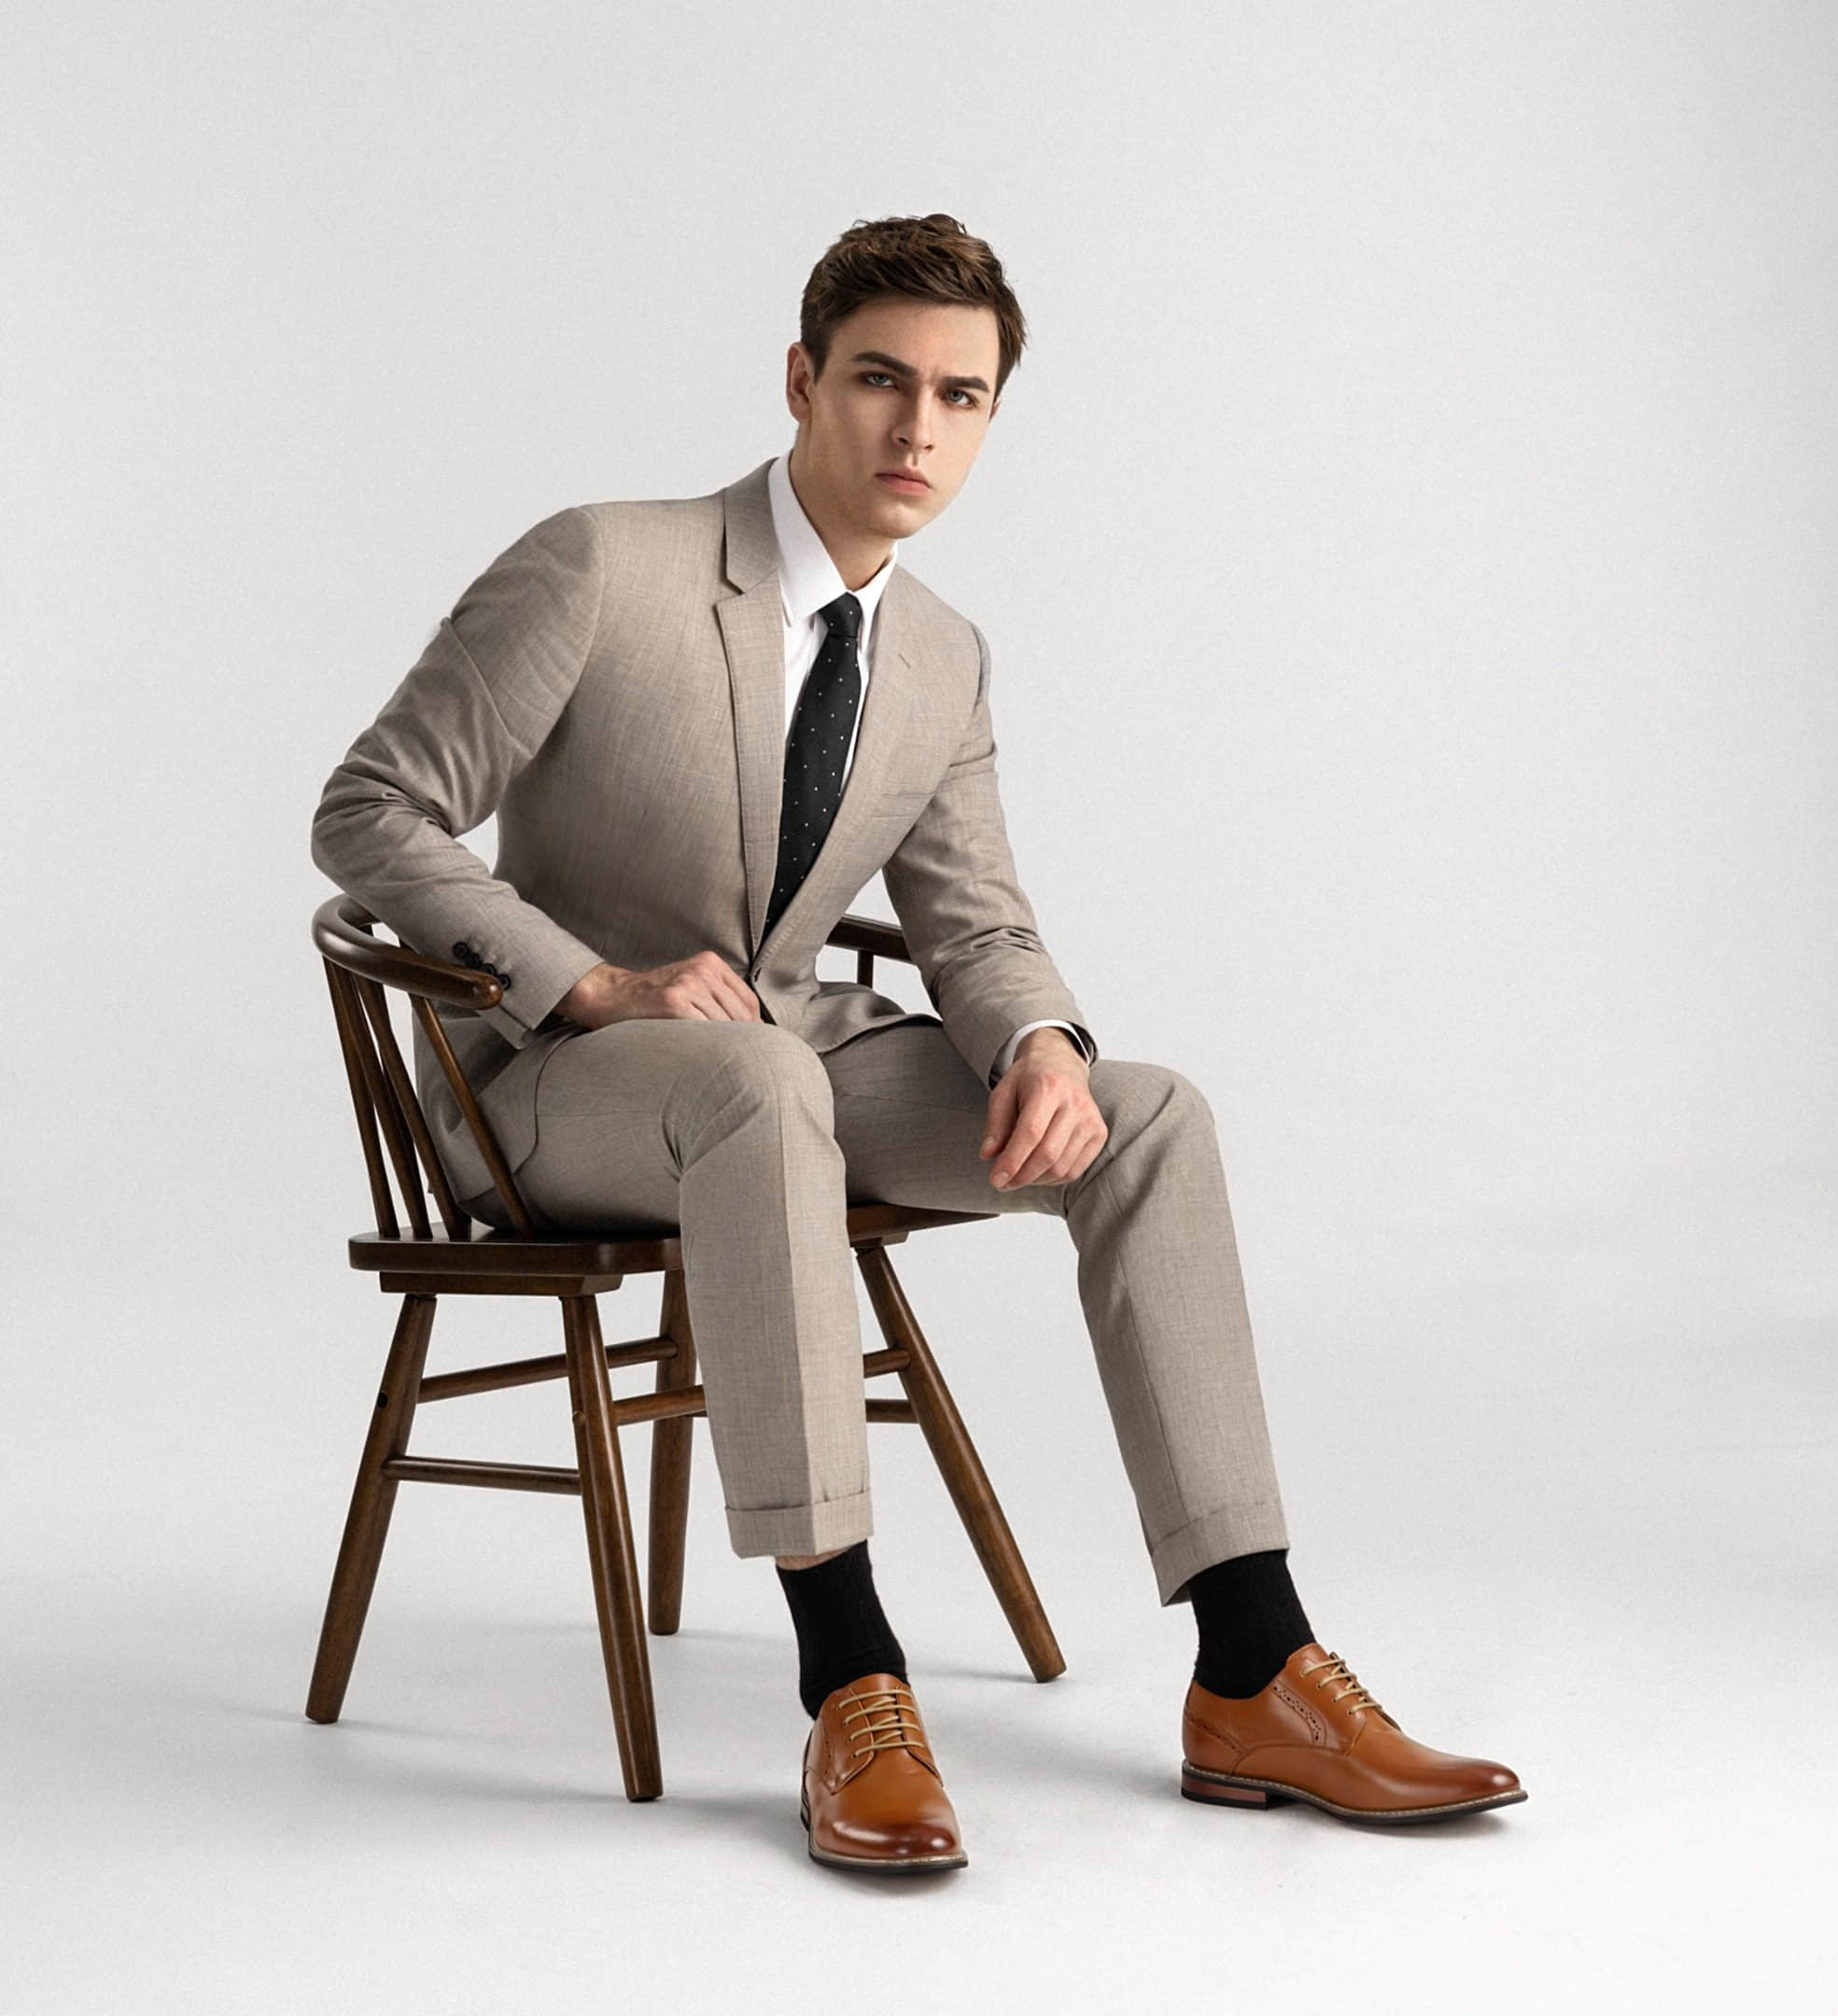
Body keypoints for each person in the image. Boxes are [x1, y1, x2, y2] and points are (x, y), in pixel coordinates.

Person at [311, 211, 1524, 1873]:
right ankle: (850, 1681)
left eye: (961, 396)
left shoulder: (941, 654)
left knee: (1147, 1112)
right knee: (758, 1083)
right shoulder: (602, 564)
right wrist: (583, 982)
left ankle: (1254, 1667)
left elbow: (975, 919)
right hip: (542, 1089)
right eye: (881, 380)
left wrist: (1038, 1041)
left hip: (782, 1064)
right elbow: (370, 807)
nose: (917, 429)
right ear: (801, 381)